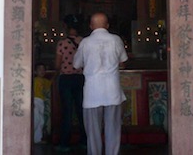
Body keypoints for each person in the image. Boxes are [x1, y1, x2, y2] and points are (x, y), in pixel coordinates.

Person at [73, 12, 128, 155]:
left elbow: (76, 64)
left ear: (91, 26)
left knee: (93, 132)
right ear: (107, 25)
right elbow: (123, 61)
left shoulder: (85, 42)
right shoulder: (116, 40)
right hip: (112, 91)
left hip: (92, 92)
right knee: (113, 129)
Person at [54, 15, 86, 152]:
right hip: (80, 78)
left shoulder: (62, 43)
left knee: (67, 111)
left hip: (66, 79)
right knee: (81, 110)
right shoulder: (84, 42)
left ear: (66, 27)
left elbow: (57, 64)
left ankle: (65, 144)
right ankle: (84, 141)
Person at [33, 62, 51, 144]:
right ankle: (30, 136)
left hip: (41, 102)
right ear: (35, 71)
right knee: (36, 119)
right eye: (39, 69)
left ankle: (37, 139)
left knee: (41, 121)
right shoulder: (34, 80)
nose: (42, 71)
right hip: (35, 101)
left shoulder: (45, 81)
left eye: (43, 69)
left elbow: (50, 83)